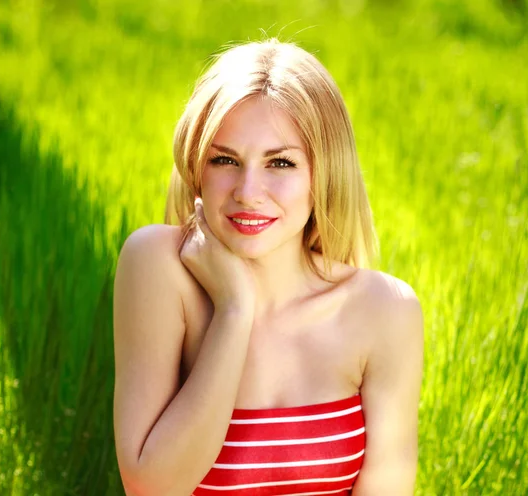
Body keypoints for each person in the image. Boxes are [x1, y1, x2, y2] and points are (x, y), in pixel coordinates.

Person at [113, 38, 424, 496]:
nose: (248, 190)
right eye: (225, 160)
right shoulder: (158, 265)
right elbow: (151, 487)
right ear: (197, 168)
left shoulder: (386, 309)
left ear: (325, 173)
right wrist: (234, 310)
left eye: (280, 162)